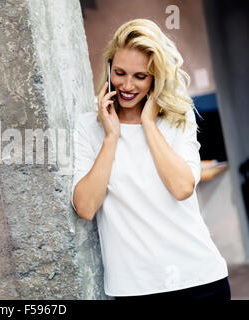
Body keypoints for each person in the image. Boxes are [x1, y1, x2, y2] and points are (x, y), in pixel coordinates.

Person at [71, 19, 230, 300]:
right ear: (108, 69)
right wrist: (111, 137)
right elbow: (85, 207)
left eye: (140, 77)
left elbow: (182, 188)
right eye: (119, 73)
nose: (127, 85)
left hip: (199, 280)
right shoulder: (88, 127)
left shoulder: (178, 119)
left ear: (155, 78)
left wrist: (149, 124)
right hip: (134, 289)